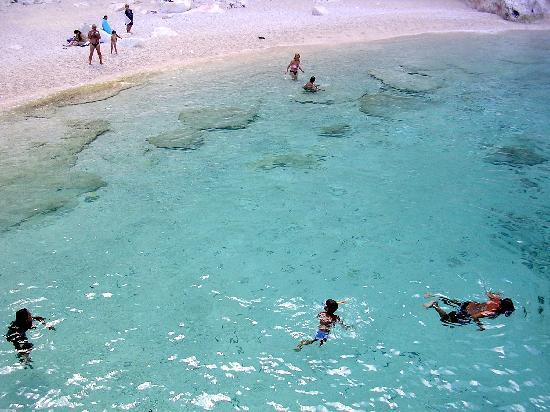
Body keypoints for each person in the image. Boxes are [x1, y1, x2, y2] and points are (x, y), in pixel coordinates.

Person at [424, 291, 515, 330]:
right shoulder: (493, 312)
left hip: (469, 304)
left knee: (451, 302)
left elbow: (488, 293)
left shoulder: (497, 300)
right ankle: (435, 306)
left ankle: (433, 295)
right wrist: (480, 326)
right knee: (446, 320)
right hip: (466, 313)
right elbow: (475, 316)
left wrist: (497, 295)